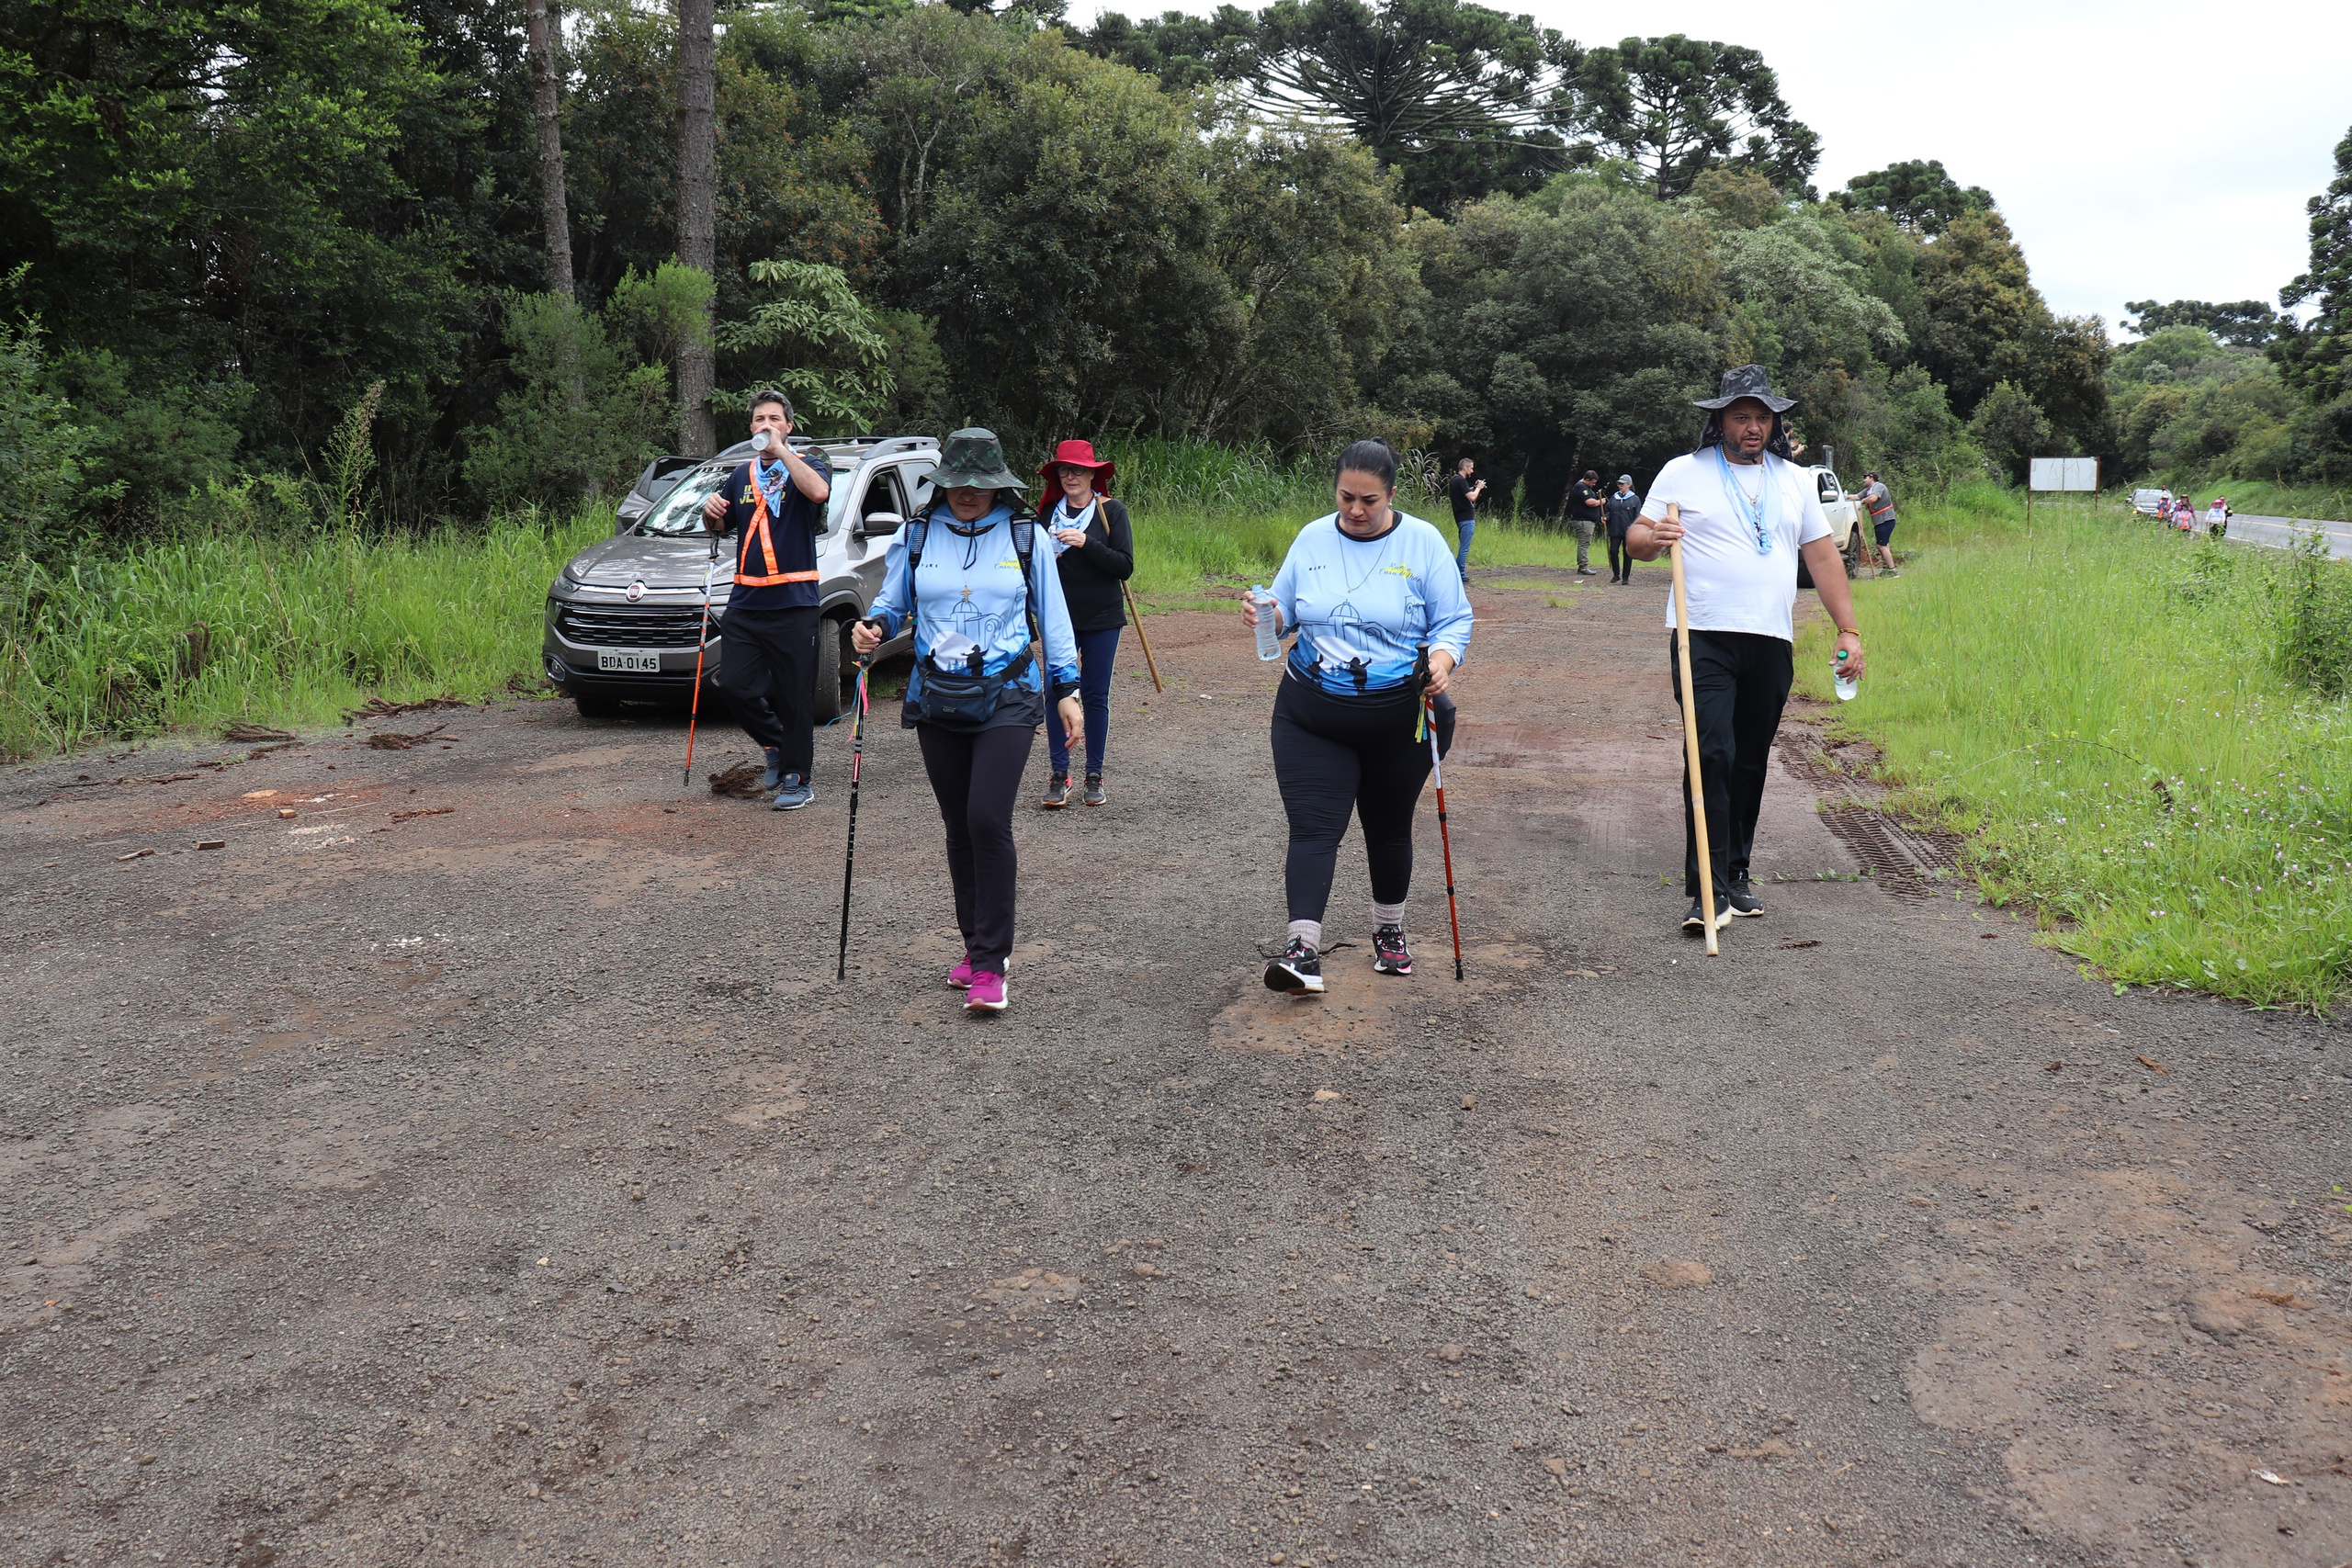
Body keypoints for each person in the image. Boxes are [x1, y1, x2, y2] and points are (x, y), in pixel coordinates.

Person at [1624, 365, 1868, 934]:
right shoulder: (1683, 473)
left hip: (1770, 639)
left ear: (1774, 423)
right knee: (1710, 752)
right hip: (1701, 635)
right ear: (1721, 420)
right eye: (1742, 416)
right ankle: (1705, 891)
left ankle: (1736, 873)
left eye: (1762, 417)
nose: (1753, 427)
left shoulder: (1795, 480)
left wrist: (1848, 629)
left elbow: (1824, 557)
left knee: (1751, 760)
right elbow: (1636, 540)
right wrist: (1652, 540)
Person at [849, 429, 1084, 1014]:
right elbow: (893, 602)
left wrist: (1068, 689)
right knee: (958, 825)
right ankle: (976, 944)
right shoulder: (919, 534)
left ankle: (990, 965)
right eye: (958, 484)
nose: (968, 494)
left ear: (998, 486)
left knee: (986, 818)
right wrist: (872, 626)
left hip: (1009, 692)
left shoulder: (1027, 537)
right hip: (938, 695)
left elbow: (1053, 618)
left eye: (980, 485)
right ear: (943, 484)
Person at [1241, 440, 1475, 994]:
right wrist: (1265, 612)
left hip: (1399, 718)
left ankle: (1389, 931)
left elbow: (1453, 621)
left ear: (1392, 495)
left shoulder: (1423, 543)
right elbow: (1285, 613)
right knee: (1314, 828)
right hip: (1311, 713)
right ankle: (1302, 950)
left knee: (1389, 827)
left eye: (1369, 500)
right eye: (1346, 497)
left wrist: (1441, 663)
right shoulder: (1312, 538)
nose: (1355, 510)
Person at [699, 389, 832, 810]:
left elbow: (818, 494)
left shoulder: (810, 465)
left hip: (793, 600)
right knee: (734, 684)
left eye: (775, 419)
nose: (766, 426)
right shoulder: (740, 475)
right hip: (746, 600)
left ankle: (798, 779)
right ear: (750, 427)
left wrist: (782, 452)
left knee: (794, 694)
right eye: (759, 420)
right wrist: (711, 513)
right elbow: (720, 527)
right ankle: (775, 745)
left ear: (788, 426)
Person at [1035, 438, 1134, 808]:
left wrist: (1084, 543)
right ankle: (1060, 774)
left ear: (1093, 474)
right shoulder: (1046, 514)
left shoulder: (1112, 512)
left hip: (1102, 617)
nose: (1071, 476)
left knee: (1094, 695)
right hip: (1057, 618)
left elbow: (1124, 566)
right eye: (1064, 469)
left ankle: (1095, 774)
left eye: (1078, 469)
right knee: (1056, 692)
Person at [1446, 457, 1487, 573]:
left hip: (1460, 518)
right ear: (1465, 467)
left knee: (1463, 546)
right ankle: (1460, 573)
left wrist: (1474, 487)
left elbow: (1466, 492)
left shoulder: (1455, 480)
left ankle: (1458, 571)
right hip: (1466, 518)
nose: (1472, 471)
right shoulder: (1461, 480)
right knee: (1464, 548)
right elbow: (1472, 497)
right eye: (1471, 468)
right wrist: (1478, 488)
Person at [1858, 470, 1900, 576]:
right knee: (1884, 545)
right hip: (1879, 520)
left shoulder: (1879, 486)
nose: (1864, 480)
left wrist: (1863, 501)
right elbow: (1856, 496)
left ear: (1871, 477)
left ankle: (1892, 570)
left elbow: (1873, 498)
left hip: (1885, 519)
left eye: (1865, 477)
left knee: (1881, 546)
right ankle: (1886, 569)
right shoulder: (1868, 490)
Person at [1603, 474, 1642, 583]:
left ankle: (1625, 577)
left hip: (1628, 531)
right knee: (1613, 551)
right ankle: (1616, 574)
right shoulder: (1614, 497)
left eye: (1622, 484)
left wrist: (1635, 528)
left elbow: (1637, 515)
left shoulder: (1634, 499)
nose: (1620, 486)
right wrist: (1605, 517)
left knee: (1628, 553)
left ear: (1629, 485)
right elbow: (1608, 510)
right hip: (1615, 529)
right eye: (1619, 484)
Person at [1566, 469, 1604, 576]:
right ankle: (1583, 567)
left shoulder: (1587, 488)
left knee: (1585, 543)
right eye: (1592, 482)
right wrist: (1600, 501)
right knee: (1584, 543)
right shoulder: (1581, 487)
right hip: (1583, 521)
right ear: (1587, 480)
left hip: (1587, 520)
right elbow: (1589, 502)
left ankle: (1582, 566)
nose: (1594, 484)